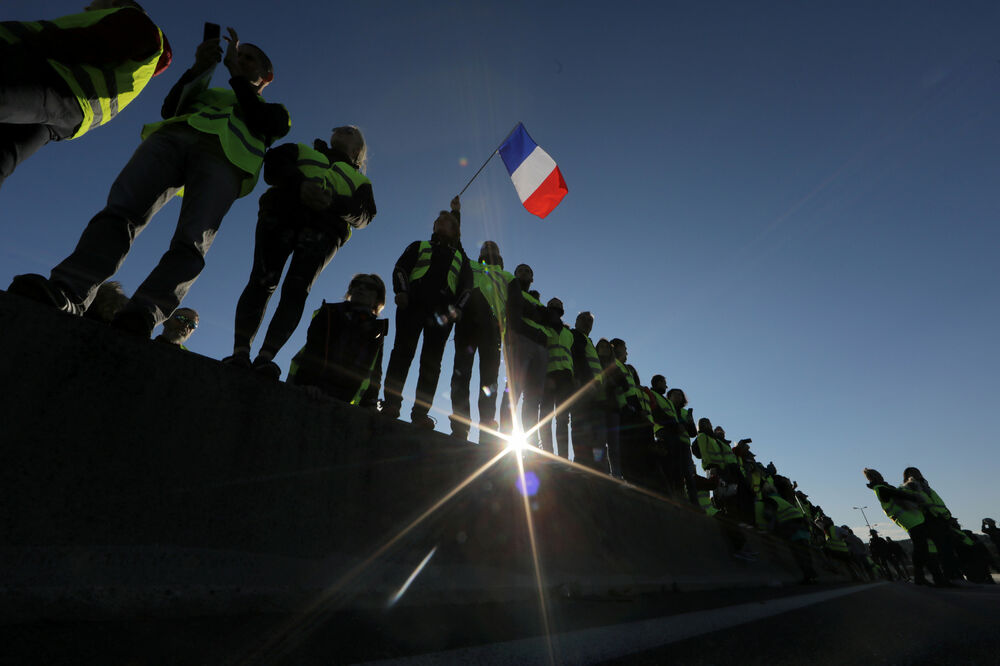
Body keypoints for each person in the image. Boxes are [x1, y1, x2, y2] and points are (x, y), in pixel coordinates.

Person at [9, 26, 290, 339]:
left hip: (224, 162)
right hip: (172, 142)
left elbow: (266, 123)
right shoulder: (209, 92)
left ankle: (143, 313)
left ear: (267, 76)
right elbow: (171, 108)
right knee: (120, 214)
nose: (241, 61)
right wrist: (200, 67)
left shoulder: (276, 112)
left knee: (191, 242)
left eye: (249, 59)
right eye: (239, 56)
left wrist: (237, 76)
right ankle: (69, 291)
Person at [223, 126, 375, 378]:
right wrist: (300, 185)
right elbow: (273, 165)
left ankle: (265, 357)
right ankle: (240, 352)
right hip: (280, 216)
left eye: (349, 132)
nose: (341, 130)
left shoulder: (362, 182)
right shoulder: (301, 150)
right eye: (339, 128)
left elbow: (365, 214)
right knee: (262, 280)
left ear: (358, 150)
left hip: (324, 232)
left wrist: (333, 202)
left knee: (296, 291)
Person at [0, 0, 171, 187]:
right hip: (68, 116)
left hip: (50, 78)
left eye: (95, 2)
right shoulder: (141, 68)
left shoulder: (136, 21)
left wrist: (29, 44)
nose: (87, 8)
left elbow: (94, 44)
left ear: (116, 3)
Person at [382, 204, 472, 428]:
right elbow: (401, 268)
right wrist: (402, 291)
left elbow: (467, 288)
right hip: (412, 306)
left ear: (455, 230)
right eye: (438, 221)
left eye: (447, 222)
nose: (440, 223)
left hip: (442, 315)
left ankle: (420, 414)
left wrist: (458, 309)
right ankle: (391, 403)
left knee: (431, 364)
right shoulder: (419, 245)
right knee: (402, 353)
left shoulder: (461, 258)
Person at [286, 274, 386, 408]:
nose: (361, 288)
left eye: (369, 286)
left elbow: (375, 371)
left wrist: (370, 401)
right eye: (356, 284)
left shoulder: (376, 330)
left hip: (346, 400)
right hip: (312, 391)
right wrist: (309, 383)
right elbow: (313, 348)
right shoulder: (330, 312)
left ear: (377, 298)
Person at [449, 239, 511, 442]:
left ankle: (487, 431)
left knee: (489, 381)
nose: (489, 248)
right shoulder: (470, 265)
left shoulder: (507, 276)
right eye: (486, 246)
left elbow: (515, 306)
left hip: (492, 329)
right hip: (467, 323)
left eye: (493, 246)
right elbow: (457, 248)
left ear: (499, 254)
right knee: (461, 375)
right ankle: (460, 427)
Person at [864, 468, 947, 586]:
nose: (881, 477)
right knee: (921, 548)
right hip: (909, 520)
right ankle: (921, 577)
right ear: (874, 477)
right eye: (878, 475)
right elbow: (898, 494)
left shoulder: (884, 487)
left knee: (923, 548)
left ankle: (929, 577)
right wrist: (915, 497)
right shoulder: (881, 489)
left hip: (914, 518)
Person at [498, 264, 552, 445]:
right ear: (515, 275)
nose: (524, 273)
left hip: (539, 347)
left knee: (533, 398)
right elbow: (514, 311)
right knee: (513, 390)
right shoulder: (512, 290)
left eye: (527, 271)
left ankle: (531, 444)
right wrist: (535, 313)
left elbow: (547, 319)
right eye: (520, 270)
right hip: (520, 340)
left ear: (532, 278)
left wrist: (529, 309)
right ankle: (505, 438)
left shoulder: (537, 301)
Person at [569, 311, 604, 468]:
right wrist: (581, 380)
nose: (587, 323)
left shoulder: (588, 341)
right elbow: (578, 358)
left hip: (594, 390)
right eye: (584, 320)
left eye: (590, 321)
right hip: (584, 387)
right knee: (581, 424)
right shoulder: (575, 335)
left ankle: (593, 463)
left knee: (594, 428)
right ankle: (582, 461)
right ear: (576, 321)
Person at [539, 298, 574, 458]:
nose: (554, 311)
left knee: (562, 419)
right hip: (548, 376)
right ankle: (548, 454)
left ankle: (563, 457)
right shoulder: (543, 328)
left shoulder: (569, 334)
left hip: (565, 378)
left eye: (557, 308)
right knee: (546, 417)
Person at [595, 337, 625, 477]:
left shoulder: (615, 366)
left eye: (606, 347)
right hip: (599, 406)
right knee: (600, 442)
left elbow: (624, 384)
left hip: (613, 408)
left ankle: (616, 475)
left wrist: (611, 382)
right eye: (601, 347)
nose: (604, 349)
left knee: (614, 445)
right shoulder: (594, 362)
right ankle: (601, 472)